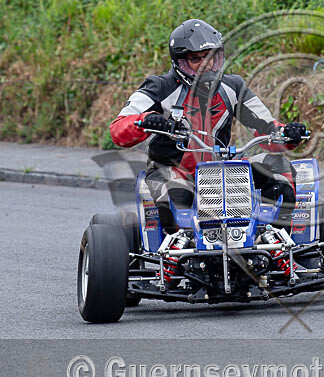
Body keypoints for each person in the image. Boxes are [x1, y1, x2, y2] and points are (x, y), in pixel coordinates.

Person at [109, 18, 307, 233]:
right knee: (174, 197)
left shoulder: (233, 86)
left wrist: (287, 134)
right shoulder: (159, 87)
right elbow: (118, 129)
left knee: (278, 166)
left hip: (222, 169)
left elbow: (266, 128)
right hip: (174, 170)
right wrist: (145, 121)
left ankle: (276, 240)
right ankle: (178, 248)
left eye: (211, 57)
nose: (206, 64)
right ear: (181, 62)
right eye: (196, 59)